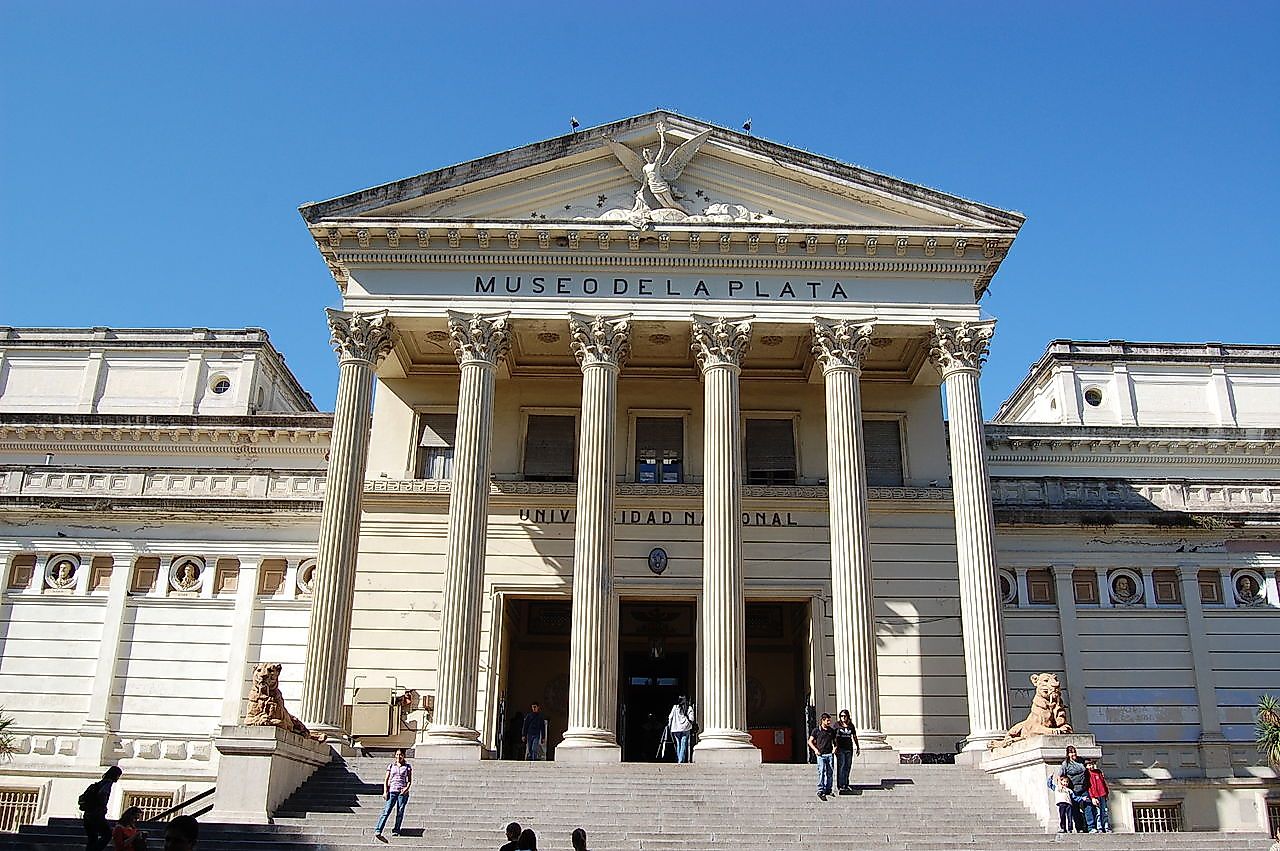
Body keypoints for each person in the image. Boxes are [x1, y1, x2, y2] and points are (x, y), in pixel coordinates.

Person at [374, 748, 413, 841]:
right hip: (392, 791)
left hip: (402, 792)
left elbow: (409, 780)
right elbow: (386, 780)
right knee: (386, 811)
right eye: (397, 754)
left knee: (400, 812)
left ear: (404, 756)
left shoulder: (407, 766)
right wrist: (385, 791)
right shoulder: (391, 766)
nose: (399, 756)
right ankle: (378, 830)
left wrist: (407, 788)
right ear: (395, 755)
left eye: (400, 755)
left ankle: (396, 830)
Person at [80, 765, 122, 851]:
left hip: (88, 814)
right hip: (97, 814)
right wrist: (103, 805)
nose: (118, 778)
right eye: (118, 776)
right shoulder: (108, 783)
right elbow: (103, 793)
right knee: (108, 834)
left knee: (92, 838)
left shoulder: (99, 783)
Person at [1056, 745, 1089, 832]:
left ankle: (1090, 826)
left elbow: (1089, 767)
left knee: (1088, 806)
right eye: (1071, 752)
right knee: (1075, 809)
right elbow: (1059, 775)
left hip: (1084, 787)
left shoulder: (1081, 760)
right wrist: (1060, 785)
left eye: (1074, 752)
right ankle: (1079, 827)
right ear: (1068, 754)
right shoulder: (1065, 764)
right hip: (1073, 789)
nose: (1073, 754)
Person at [807, 712, 837, 800]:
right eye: (827, 721)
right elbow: (810, 741)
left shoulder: (831, 731)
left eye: (829, 721)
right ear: (823, 720)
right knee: (821, 771)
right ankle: (821, 789)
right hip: (820, 754)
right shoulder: (816, 730)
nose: (829, 722)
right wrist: (816, 750)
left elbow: (835, 742)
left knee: (830, 772)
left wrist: (834, 749)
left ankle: (828, 789)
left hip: (829, 754)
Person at [833, 709, 861, 795]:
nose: (843, 718)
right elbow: (833, 737)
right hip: (840, 748)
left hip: (849, 748)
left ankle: (846, 783)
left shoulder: (851, 725)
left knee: (848, 766)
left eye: (844, 716)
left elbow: (854, 736)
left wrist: (858, 746)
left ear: (848, 716)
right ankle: (840, 785)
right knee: (841, 766)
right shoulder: (837, 725)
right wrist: (834, 746)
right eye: (841, 716)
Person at [667, 697, 695, 764]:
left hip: (676, 728)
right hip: (686, 727)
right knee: (683, 743)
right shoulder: (689, 708)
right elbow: (692, 718)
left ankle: (678, 758)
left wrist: (669, 726)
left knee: (678, 743)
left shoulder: (675, 707)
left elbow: (670, 717)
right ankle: (681, 759)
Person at [1086, 759, 1111, 833]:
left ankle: (1106, 827)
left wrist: (1106, 793)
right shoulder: (1088, 774)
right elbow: (1089, 787)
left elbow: (1103, 783)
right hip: (1095, 795)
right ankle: (1099, 827)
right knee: (1098, 812)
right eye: (1089, 765)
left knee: (1105, 811)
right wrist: (1093, 797)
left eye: (1092, 764)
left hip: (1102, 794)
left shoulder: (1098, 772)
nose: (1091, 766)